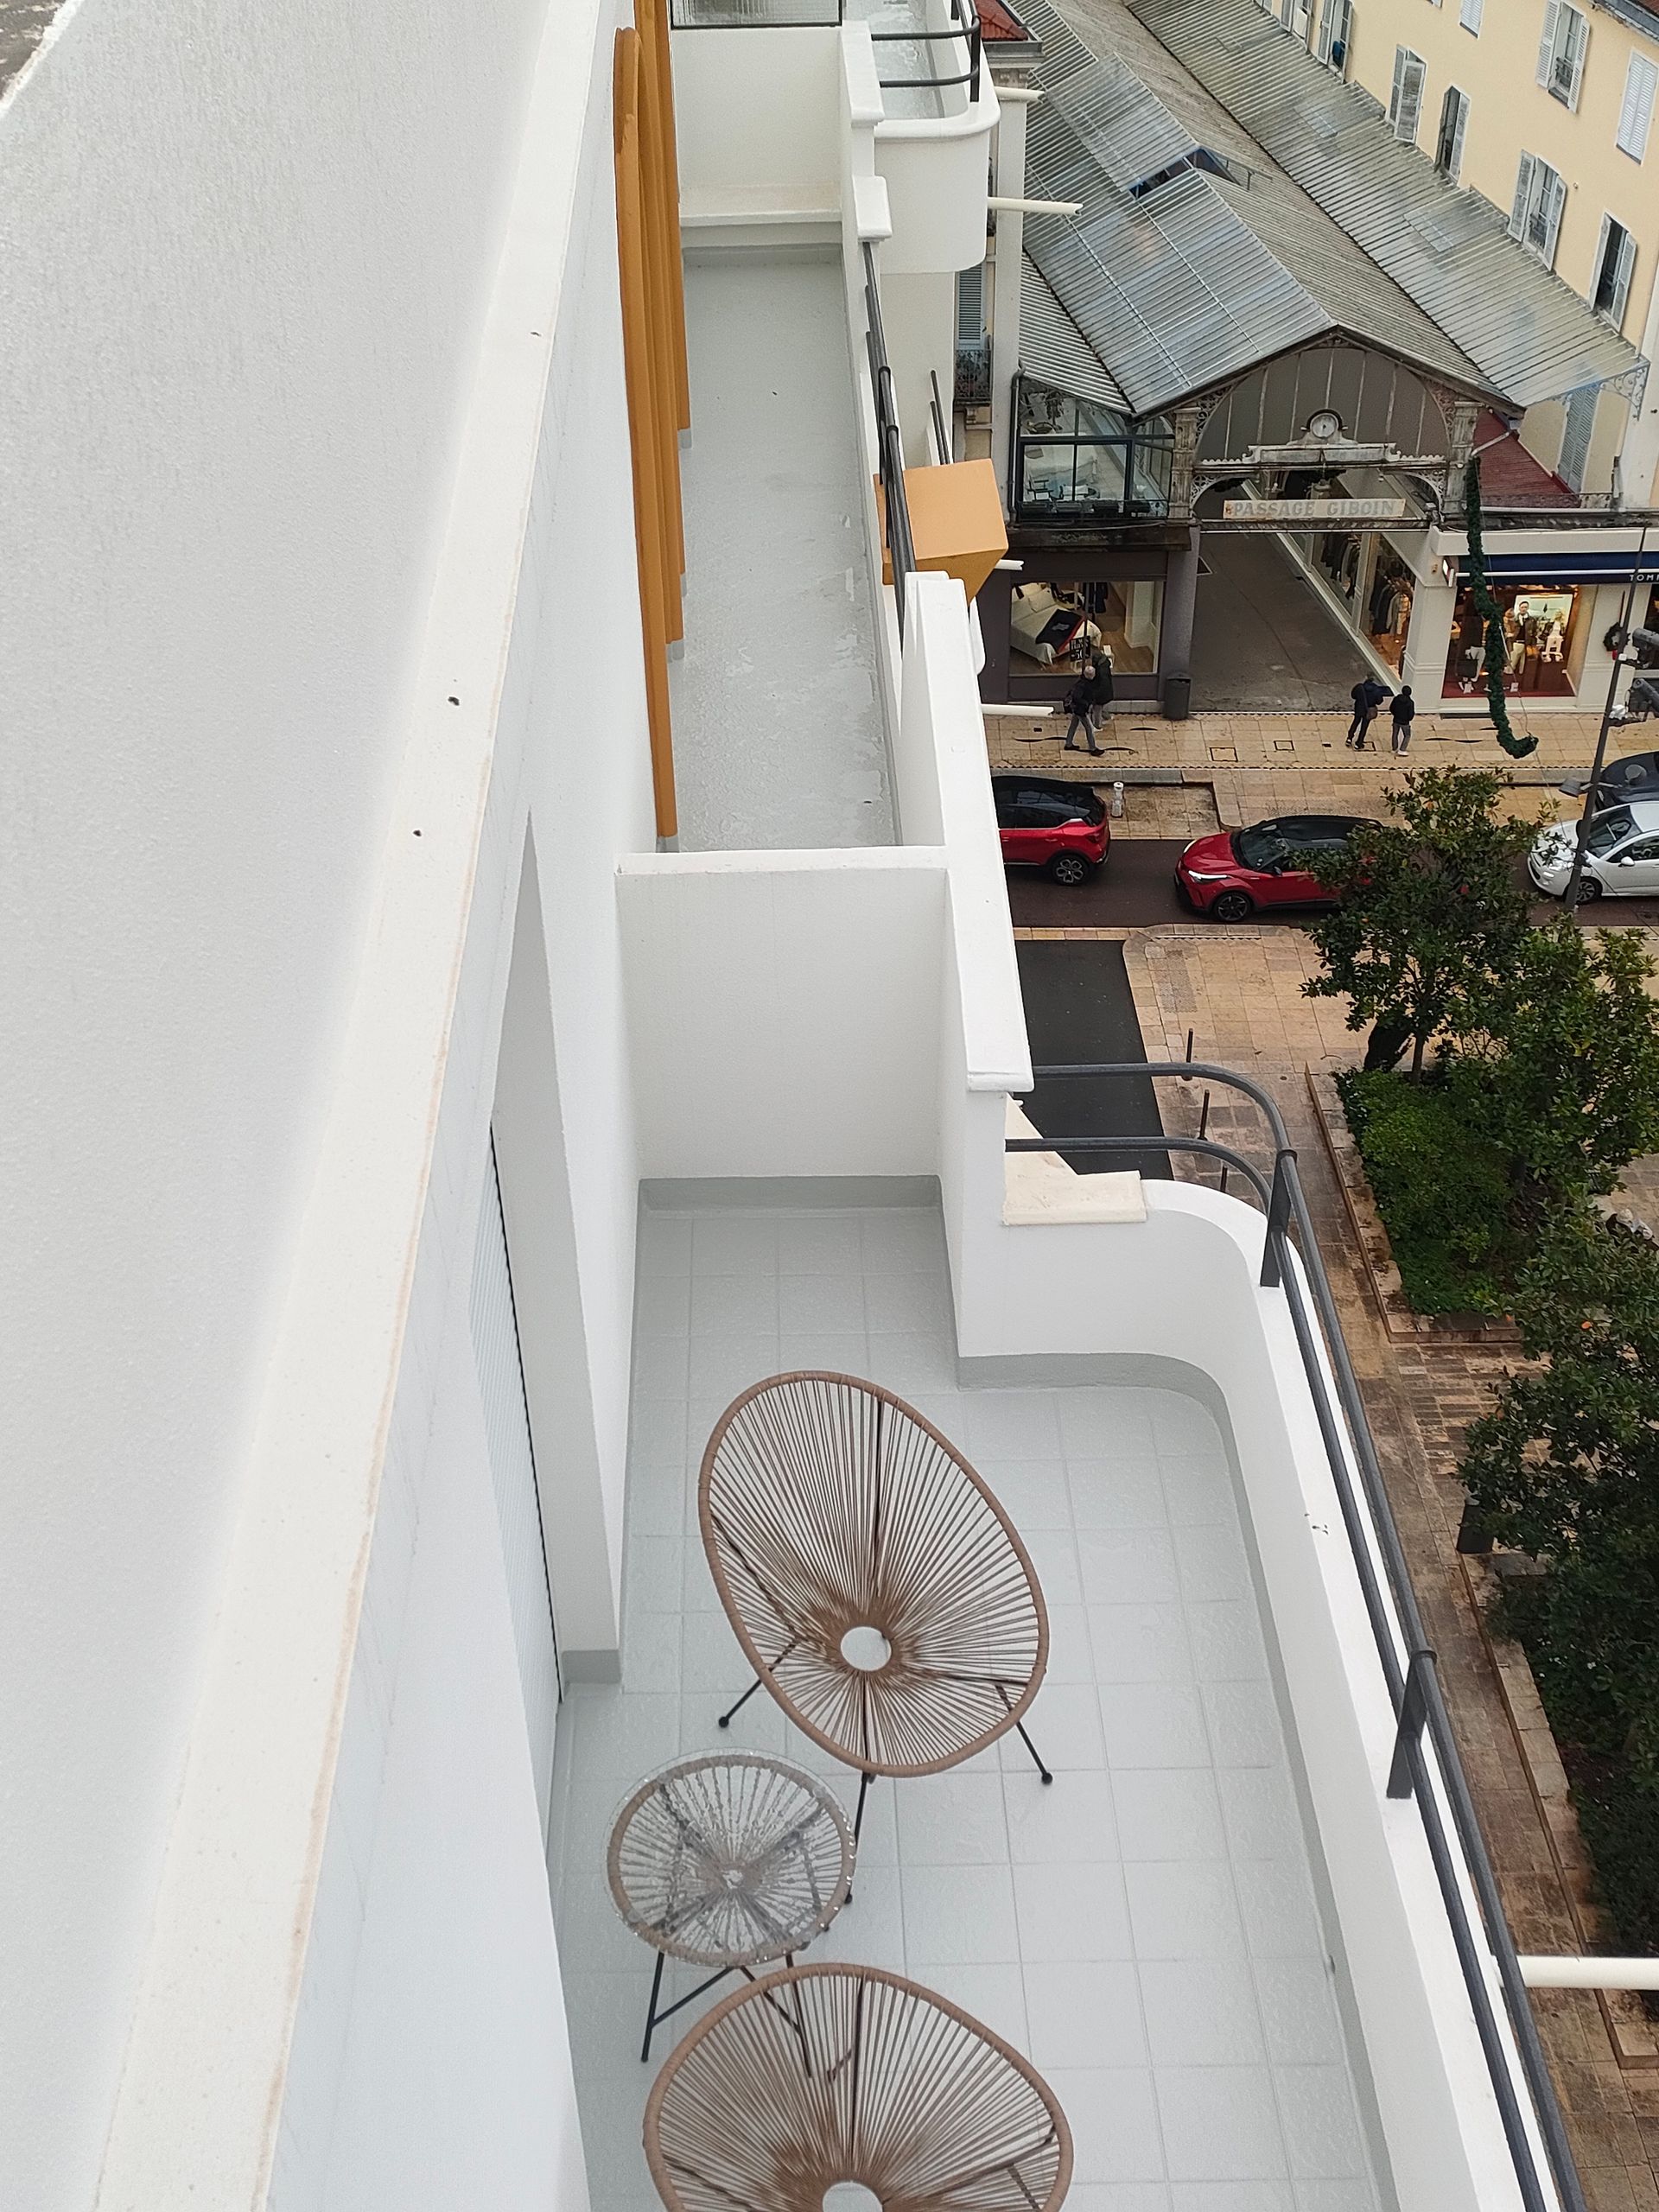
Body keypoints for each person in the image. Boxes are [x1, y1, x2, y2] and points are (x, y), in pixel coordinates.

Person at [1062, 658, 1106, 755]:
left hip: (1077, 708)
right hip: (1080, 709)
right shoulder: (1084, 685)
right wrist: (1086, 703)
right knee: (1089, 728)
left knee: (1073, 725)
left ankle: (1068, 744)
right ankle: (1093, 748)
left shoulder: (1081, 682)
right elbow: (1077, 697)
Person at [1345, 677, 1389, 749]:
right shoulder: (1376, 690)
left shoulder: (1359, 687)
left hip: (1359, 708)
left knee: (1355, 723)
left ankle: (1349, 738)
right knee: (1364, 727)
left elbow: (1353, 695)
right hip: (1368, 710)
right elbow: (1379, 701)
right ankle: (1359, 743)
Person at [1389, 683, 1415, 753]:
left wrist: (1395, 714)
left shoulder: (1396, 699)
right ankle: (1402, 749)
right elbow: (1411, 714)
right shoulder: (1410, 702)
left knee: (1395, 734)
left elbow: (1391, 708)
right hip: (1405, 722)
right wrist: (1408, 719)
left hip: (1396, 719)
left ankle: (1394, 748)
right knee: (1407, 735)